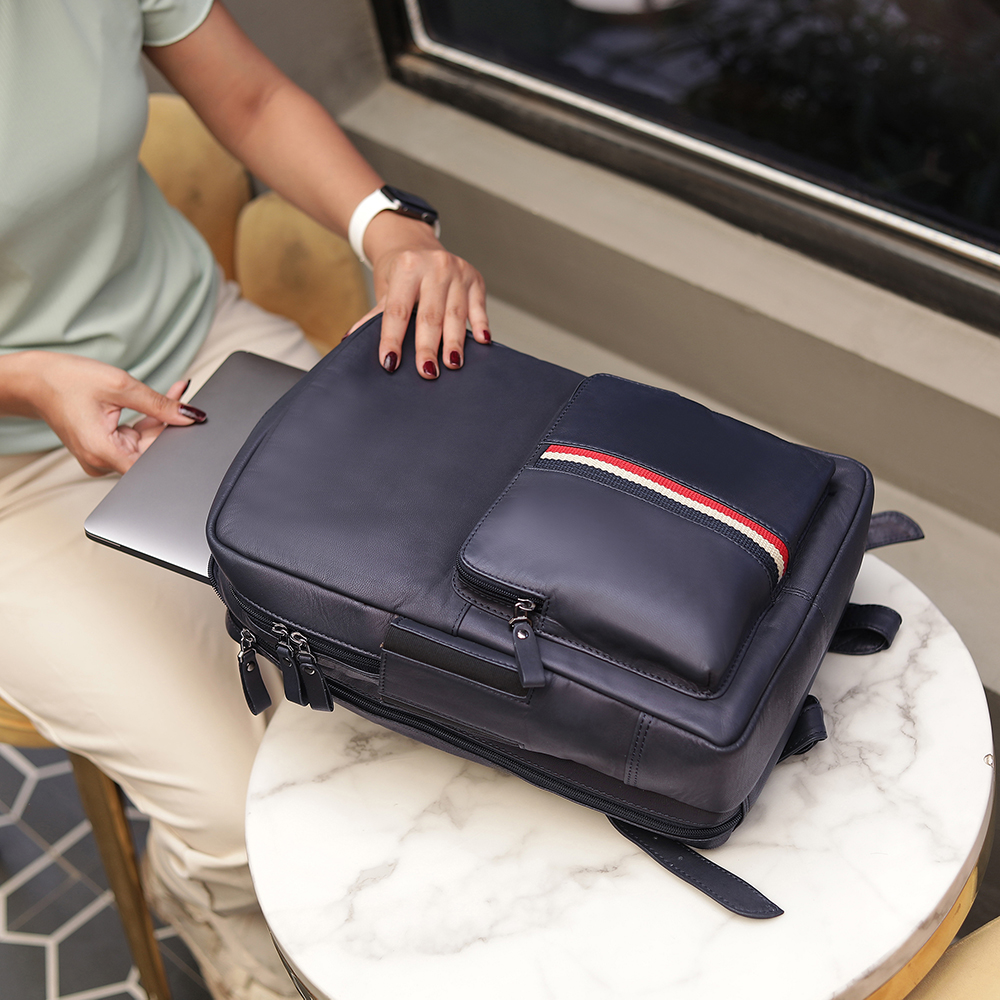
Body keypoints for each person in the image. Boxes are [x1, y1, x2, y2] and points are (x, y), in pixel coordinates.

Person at [0, 3, 490, 998]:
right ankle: (225, 922)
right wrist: (30, 385)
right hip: (10, 477)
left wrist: (389, 229)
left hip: (199, 352)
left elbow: (251, 93)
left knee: (429, 666)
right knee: (238, 812)